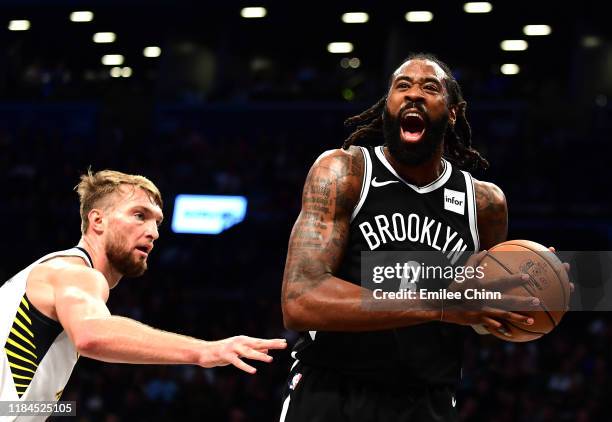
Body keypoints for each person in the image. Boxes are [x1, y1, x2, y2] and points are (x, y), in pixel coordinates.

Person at [279, 53, 545, 421]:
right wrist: (440, 303)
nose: (413, 94)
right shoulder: (345, 172)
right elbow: (300, 300)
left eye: (430, 87)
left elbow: (481, 315)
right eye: (401, 86)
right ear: (387, 105)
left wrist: (536, 290)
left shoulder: (484, 203)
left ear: (453, 112)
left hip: (426, 401)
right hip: (332, 392)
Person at [0, 169, 286, 411]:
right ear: (97, 221)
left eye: (157, 222)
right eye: (139, 215)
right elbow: (91, 335)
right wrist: (205, 350)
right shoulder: (76, 273)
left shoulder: (53, 271)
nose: (153, 232)